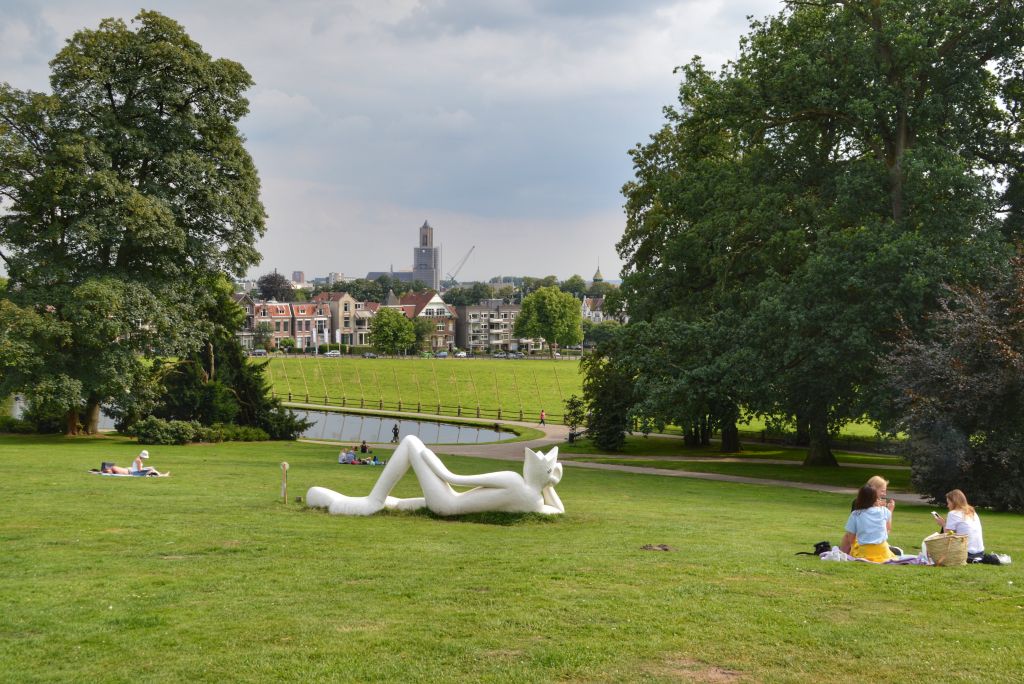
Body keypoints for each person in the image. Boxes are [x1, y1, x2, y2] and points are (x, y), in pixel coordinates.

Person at [307, 434, 564, 516]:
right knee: (400, 504)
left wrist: (431, 459)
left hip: (448, 505)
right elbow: (558, 511)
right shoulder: (534, 503)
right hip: (452, 502)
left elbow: (455, 479)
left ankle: (372, 502)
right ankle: (382, 503)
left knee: (410, 441)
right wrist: (549, 485)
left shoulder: (514, 481)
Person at [934, 489, 1012, 565]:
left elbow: (947, 536)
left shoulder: (953, 513)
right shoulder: (972, 512)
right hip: (980, 552)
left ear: (954, 502)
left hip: (966, 552)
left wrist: (943, 524)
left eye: (948, 503)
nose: (947, 505)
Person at [840, 484, 897, 562]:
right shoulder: (884, 510)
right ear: (876, 498)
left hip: (865, 553)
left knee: (847, 535)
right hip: (883, 552)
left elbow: (851, 539)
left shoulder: (856, 514)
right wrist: (890, 510)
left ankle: (842, 553)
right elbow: (888, 530)